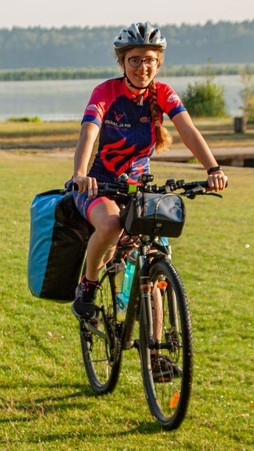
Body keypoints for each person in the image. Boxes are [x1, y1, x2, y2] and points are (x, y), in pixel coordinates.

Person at [69, 23, 228, 373]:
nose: (143, 67)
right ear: (122, 62)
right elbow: (89, 132)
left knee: (152, 262)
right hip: (99, 184)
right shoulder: (106, 92)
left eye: (150, 60)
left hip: (139, 187)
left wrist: (212, 168)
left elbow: (188, 130)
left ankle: (154, 356)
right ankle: (88, 287)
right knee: (110, 225)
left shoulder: (163, 94)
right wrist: (80, 175)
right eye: (135, 60)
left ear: (159, 63)